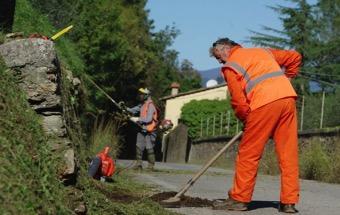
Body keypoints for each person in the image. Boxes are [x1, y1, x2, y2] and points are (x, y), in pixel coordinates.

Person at [209, 38, 302, 213]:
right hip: (287, 99)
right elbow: (295, 57)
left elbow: (238, 101)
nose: (220, 61)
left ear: (225, 49)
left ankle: (239, 199)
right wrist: (288, 78)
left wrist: (246, 119)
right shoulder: (263, 52)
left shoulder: (230, 66)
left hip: (263, 104)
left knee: (248, 154)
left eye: (218, 57)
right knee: (288, 153)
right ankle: (288, 202)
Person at [127, 88, 158, 171]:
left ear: (146, 95)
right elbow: (132, 110)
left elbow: (148, 119)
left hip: (150, 131)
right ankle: (138, 164)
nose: (140, 95)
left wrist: (137, 119)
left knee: (149, 148)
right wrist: (124, 108)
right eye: (140, 94)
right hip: (141, 129)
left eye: (142, 94)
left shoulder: (151, 106)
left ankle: (150, 166)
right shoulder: (142, 105)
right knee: (138, 146)